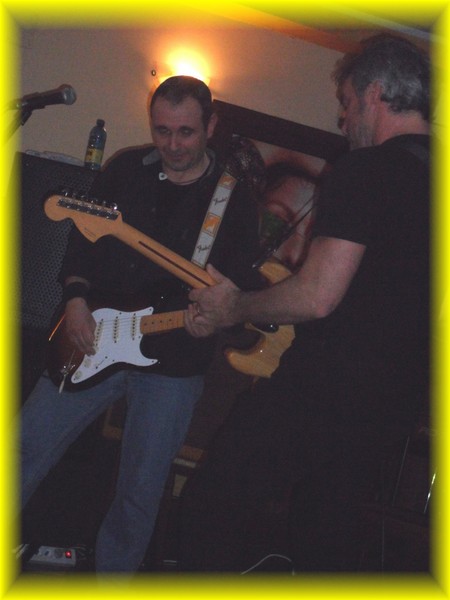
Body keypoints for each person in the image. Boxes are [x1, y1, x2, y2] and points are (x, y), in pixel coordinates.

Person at [178, 34, 431, 572]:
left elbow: (317, 296)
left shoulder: (367, 169)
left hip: (323, 389)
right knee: (321, 546)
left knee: (206, 514)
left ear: (375, 94)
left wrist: (234, 306)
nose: (343, 119)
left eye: (347, 103)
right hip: (395, 409)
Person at [19, 75, 263, 574]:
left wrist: (214, 320)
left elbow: (235, 289)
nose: (173, 144)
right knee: (22, 448)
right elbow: (82, 243)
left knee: (139, 494)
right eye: (162, 130)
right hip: (92, 335)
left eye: (186, 132)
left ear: (211, 125)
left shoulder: (234, 200)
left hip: (174, 362)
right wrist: (76, 299)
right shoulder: (126, 169)